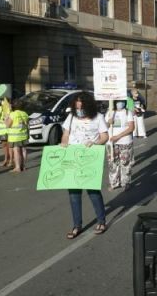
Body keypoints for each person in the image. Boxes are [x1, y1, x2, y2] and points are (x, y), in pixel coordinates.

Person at [61, 91, 108, 239]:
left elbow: (105, 136)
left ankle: (101, 221)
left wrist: (95, 143)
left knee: (93, 192)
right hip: (73, 158)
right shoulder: (71, 117)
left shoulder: (98, 118)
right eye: (77, 104)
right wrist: (64, 142)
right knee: (74, 194)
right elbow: (66, 134)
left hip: (90, 158)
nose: (79, 107)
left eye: (82, 104)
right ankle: (77, 225)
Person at [106, 100, 135, 190]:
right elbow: (103, 126)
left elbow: (131, 128)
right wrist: (108, 122)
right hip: (111, 143)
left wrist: (118, 136)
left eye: (122, 101)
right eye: (118, 101)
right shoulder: (110, 112)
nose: (120, 103)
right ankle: (114, 183)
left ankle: (126, 182)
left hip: (125, 142)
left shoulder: (127, 112)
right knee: (113, 163)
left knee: (125, 163)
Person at [5, 99, 29, 173]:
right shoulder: (25, 114)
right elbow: (27, 125)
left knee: (16, 151)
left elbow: (8, 125)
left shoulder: (13, 114)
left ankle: (17, 167)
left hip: (15, 136)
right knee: (23, 151)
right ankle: (23, 166)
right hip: (24, 135)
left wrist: (6, 118)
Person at [0, 97, 12, 167]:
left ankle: (10, 160)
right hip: (1, 131)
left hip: (9, 130)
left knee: (10, 146)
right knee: (4, 146)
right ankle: (6, 159)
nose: (3, 102)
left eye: (4, 100)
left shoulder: (10, 108)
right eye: (1, 101)